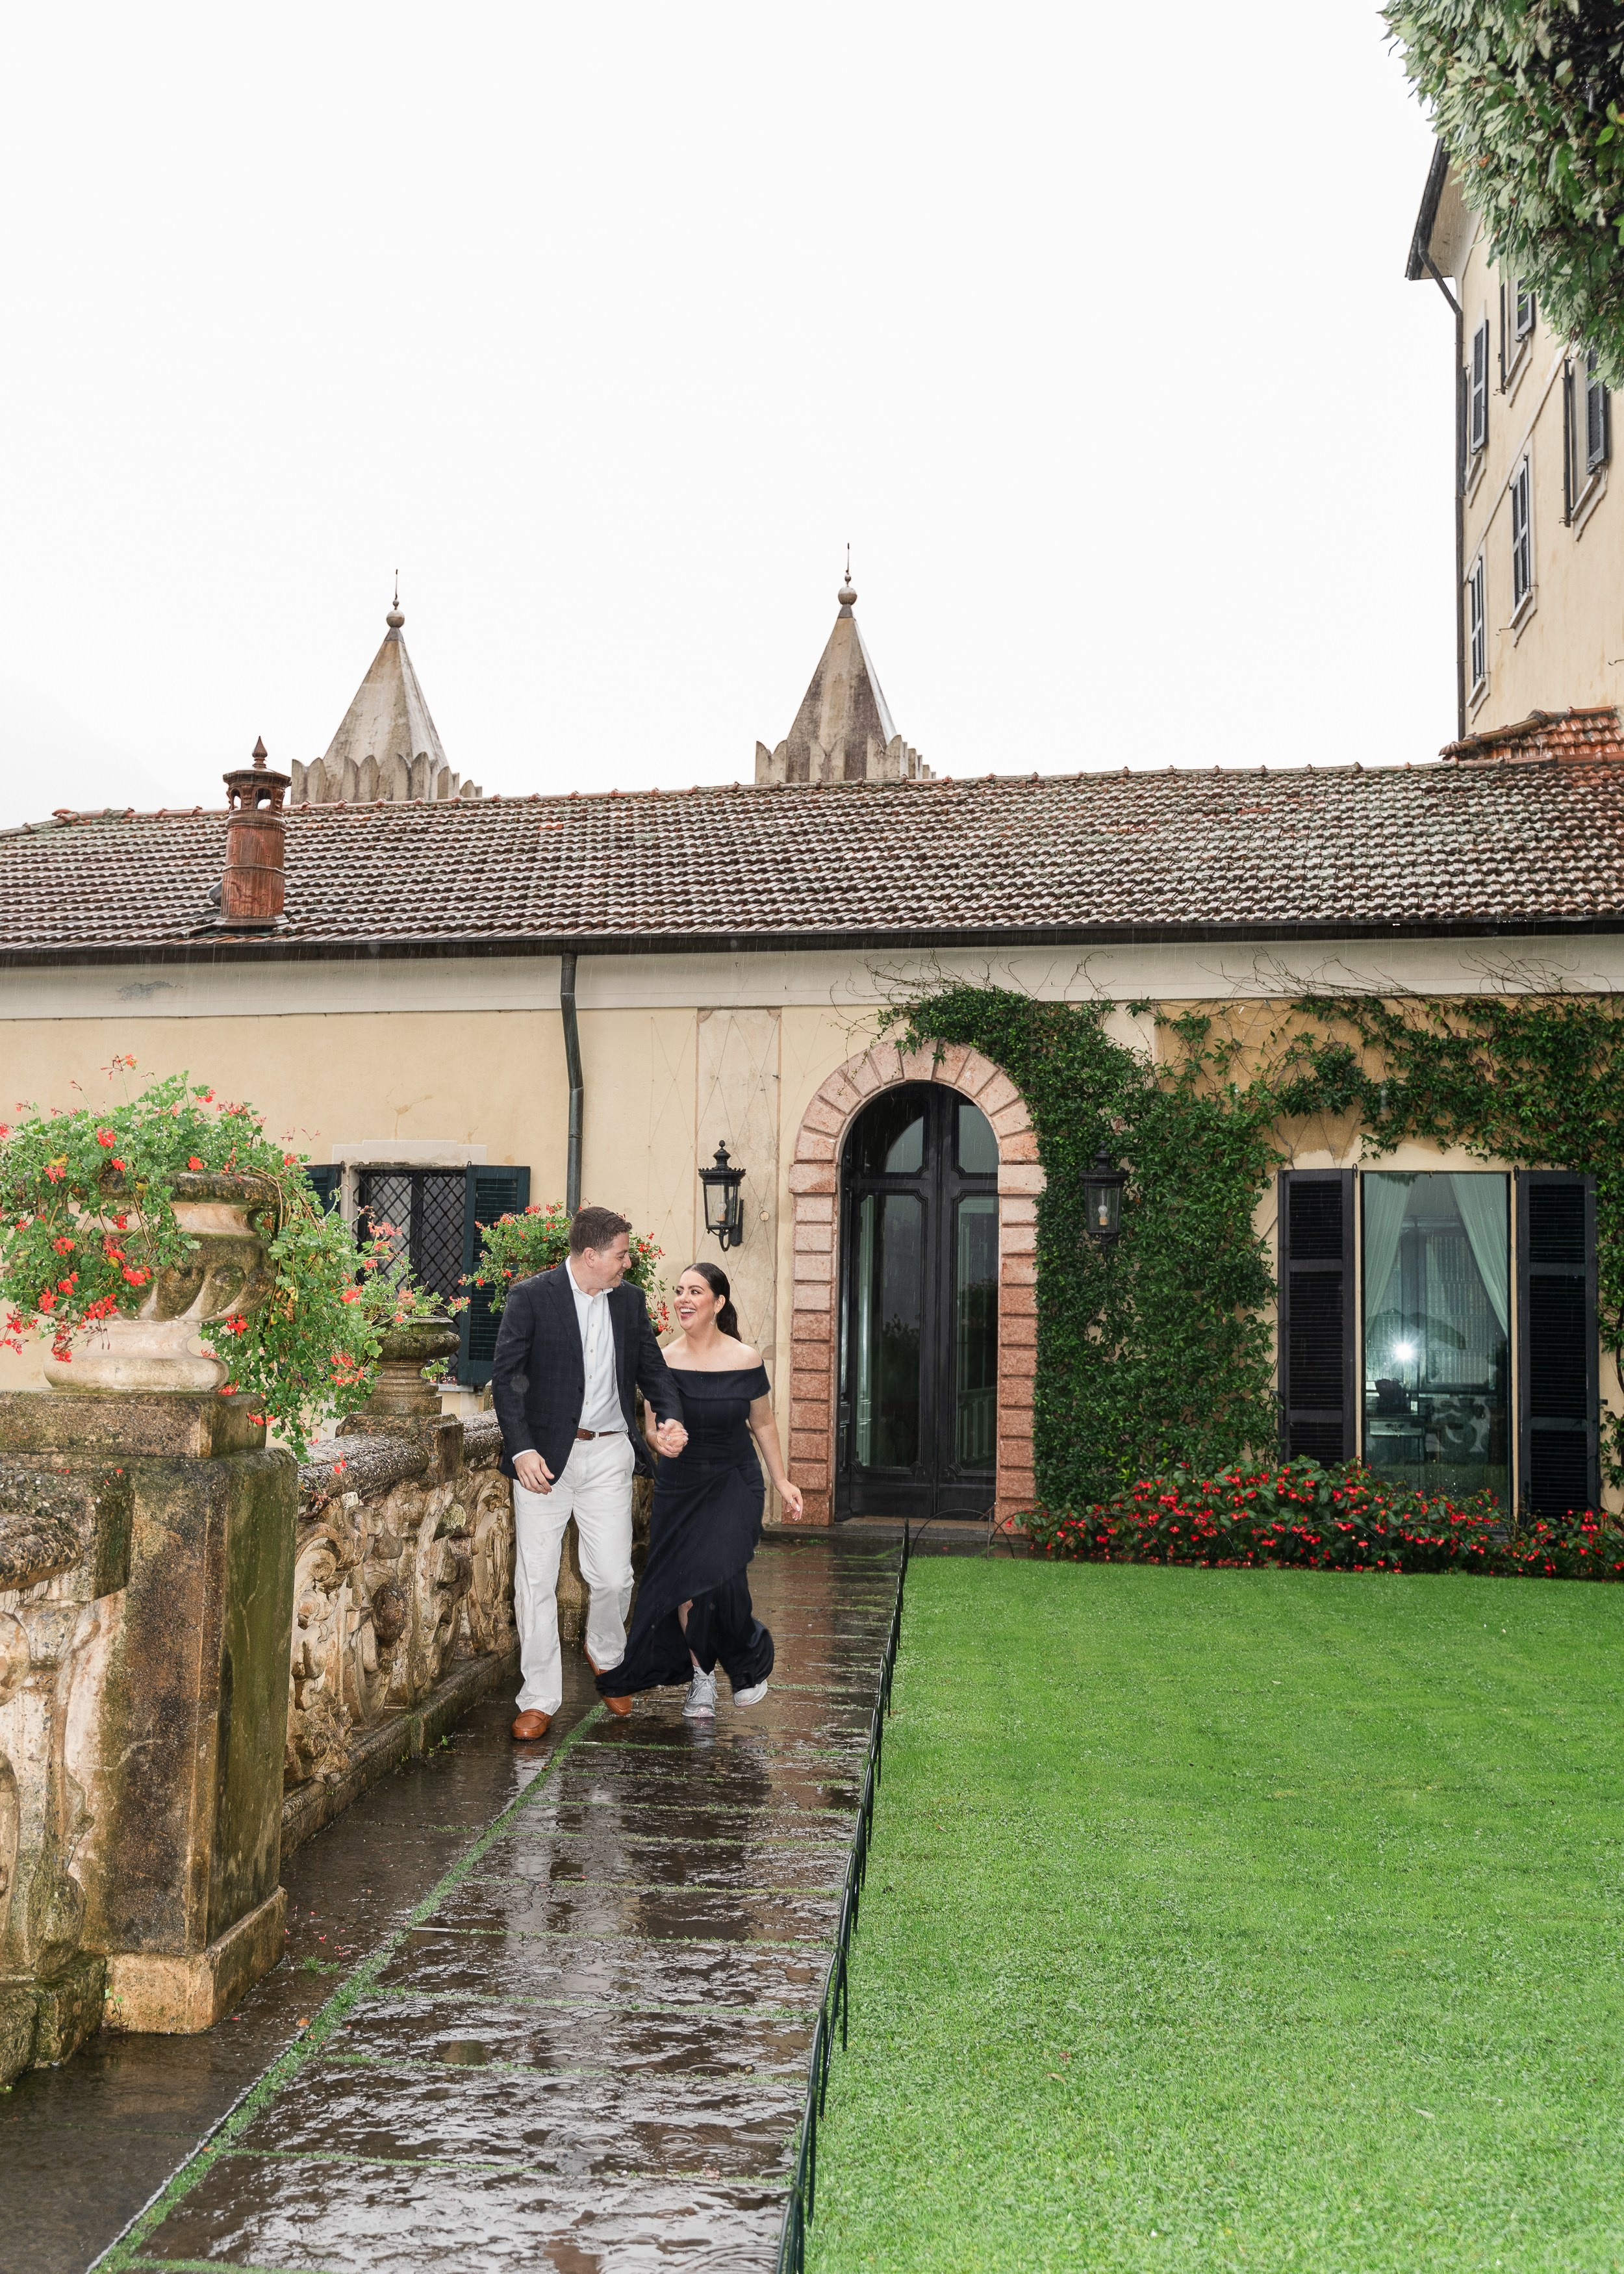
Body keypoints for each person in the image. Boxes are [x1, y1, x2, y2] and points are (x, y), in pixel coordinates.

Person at [492, 1204, 688, 1742]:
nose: (627, 1263)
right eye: (621, 1255)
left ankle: (606, 1654)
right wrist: (522, 1449)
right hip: (544, 1462)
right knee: (535, 1579)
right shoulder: (532, 1298)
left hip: (608, 1455)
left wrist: (669, 1418)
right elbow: (506, 1379)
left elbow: (653, 1369)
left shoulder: (629, 1303)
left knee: (614, 1576)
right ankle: (538, 1699)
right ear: (590, 1255)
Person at [593, 1258, 802, 1720]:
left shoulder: (746, 1358)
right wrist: (660, 1439)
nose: (683, 1299)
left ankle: (745, 1661)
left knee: (721, 1576)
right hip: (680, 1483)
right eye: (679, 1291)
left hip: (735, 1480)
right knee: (687, 1588)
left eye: (695, 1292)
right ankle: (703, 1679)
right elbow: (651, 1429)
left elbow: (763, 1423)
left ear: (718, 1302)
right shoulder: (663, 1360)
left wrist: (782, 1480)